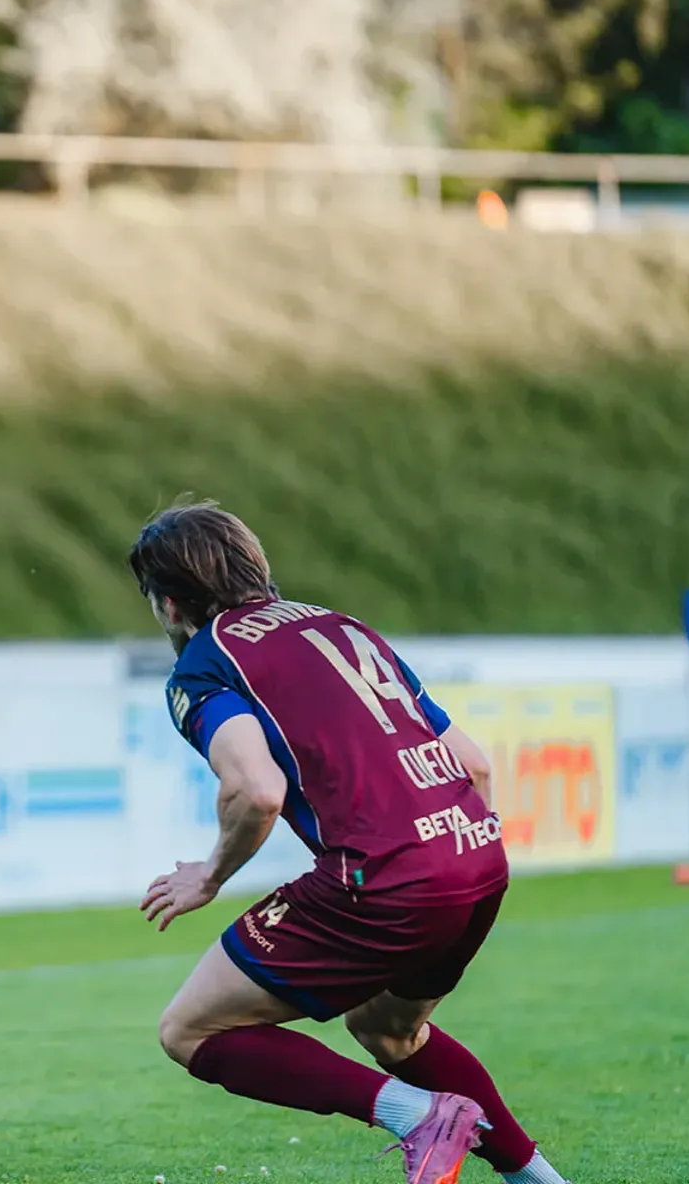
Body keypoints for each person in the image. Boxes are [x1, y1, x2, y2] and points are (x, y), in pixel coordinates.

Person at [130, 502, 570, 1184]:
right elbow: (475, 765)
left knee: (189, 1031)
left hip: (385, 877)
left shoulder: (205, 665)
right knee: (390, 1031)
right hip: (476, 854)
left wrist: (210, 876)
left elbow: (258, 790)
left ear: (167, 602)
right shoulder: (342, 626)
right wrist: (452, 864)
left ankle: (416, 1115)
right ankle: (542, 1180)